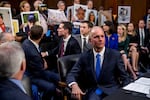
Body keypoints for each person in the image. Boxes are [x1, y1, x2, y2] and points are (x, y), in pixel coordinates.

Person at [66, 26, 130, 100]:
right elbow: (72, 74)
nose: (100, 39)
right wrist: (74, 85)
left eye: (102, 36)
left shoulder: (115, 55)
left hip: (111, 90)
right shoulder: (85, 56)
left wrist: (124, 93)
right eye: (97, 37)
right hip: (93, 91)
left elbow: (125, 77)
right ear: (90, 40)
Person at [22, 25, 60, 100]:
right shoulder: (33, 53)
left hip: (36, 69)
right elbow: (40, 72)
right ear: (42, 35)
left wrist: (42, 61)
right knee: (51, 87)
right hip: (32, 75)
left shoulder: (26, 41)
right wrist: (44, 64)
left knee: (57, 77)